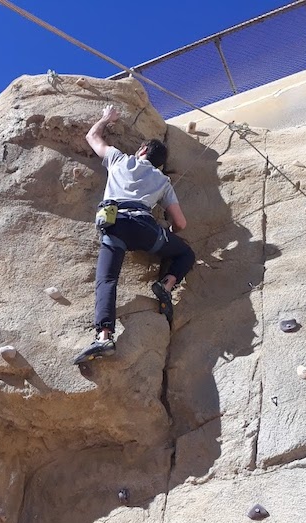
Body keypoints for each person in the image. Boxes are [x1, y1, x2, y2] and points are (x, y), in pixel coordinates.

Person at [74, 104, 195, 365]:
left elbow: (92, 137)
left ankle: (105, 336)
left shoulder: (120, 159)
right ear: (160, 164)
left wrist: (107, 118)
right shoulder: (163, 181)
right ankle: (166, 285)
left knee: (107, 280)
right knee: (186, 252)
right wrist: (168, 236)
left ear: (141, 151)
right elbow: (181, 223)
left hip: (114, 224)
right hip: (145, 230)